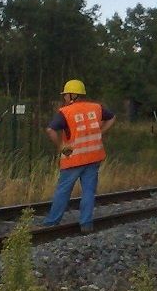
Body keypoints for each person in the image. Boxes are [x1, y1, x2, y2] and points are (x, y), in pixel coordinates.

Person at [42, 79, 114, 233]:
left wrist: (61, 146)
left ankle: (51, 222)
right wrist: (101, 132)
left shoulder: (65, 112)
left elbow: (50, 130)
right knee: (88, 192)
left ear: (72, 95)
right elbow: (112, 117)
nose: (64, 98)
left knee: (63, 191)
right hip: (93, 157)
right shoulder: (96, 107)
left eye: (66, 95)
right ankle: (86, 224)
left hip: (73, 159)